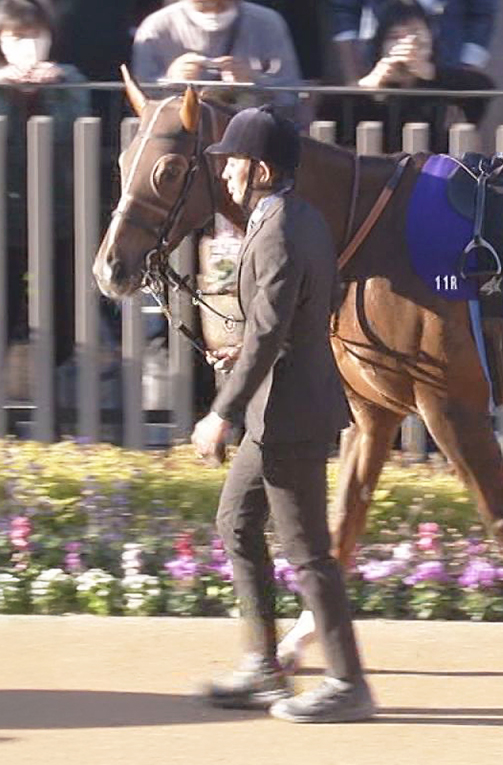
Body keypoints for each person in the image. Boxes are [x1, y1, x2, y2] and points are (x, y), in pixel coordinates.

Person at [191, 105, 375, 724]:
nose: (226, 174)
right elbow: (290, 319)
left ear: (262, 170)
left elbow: (272, 333)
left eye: (233, 163)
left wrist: (220, 412)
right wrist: (244, 353)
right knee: (236, 523)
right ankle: (264, 667)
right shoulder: (299, 217)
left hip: (287, 414)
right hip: (279, 408)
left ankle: (348, 684)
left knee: (308, 553)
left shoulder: (277, 228)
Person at [0, 0, 87, 420]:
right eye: (16, 36)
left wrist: (52, 90)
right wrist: (3, 87)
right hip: (1, 216)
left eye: (35, 35)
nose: (26, 45)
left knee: (61, 317)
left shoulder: (70, 76)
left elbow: (75, 126)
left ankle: (54, 411)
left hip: (59, 214)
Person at [325, 0, 493, 152]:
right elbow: (328, 117)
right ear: (380, 45)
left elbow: (483, 91)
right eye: (395, 37)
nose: (407, 44)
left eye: (415, 34)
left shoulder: (442, 84)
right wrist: (371, 84)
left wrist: (431, 73)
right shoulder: (368, 90)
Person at [129, 0, 301, 110]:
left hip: (248, 136)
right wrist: (171, 81)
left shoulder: (268, 23)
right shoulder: (156, 27)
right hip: (182, 136)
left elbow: (290, 95)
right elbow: (140, 101)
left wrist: (253, 82)